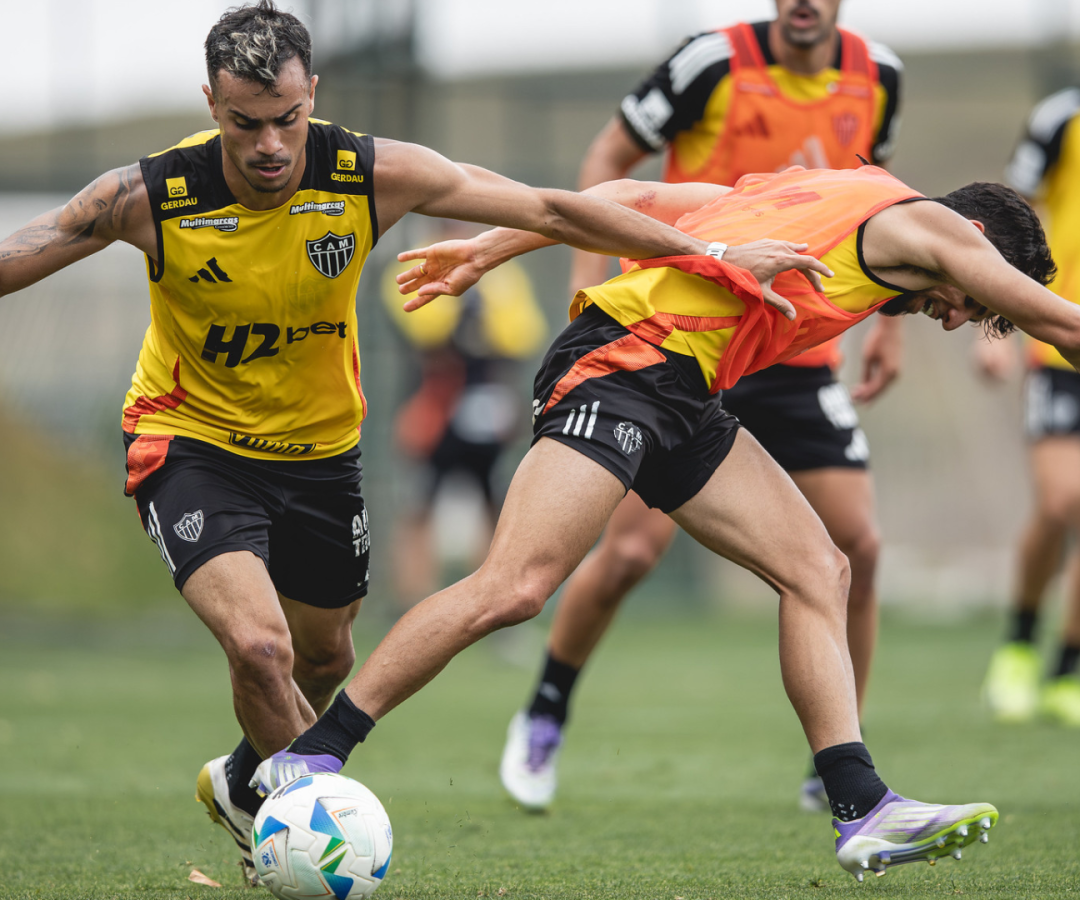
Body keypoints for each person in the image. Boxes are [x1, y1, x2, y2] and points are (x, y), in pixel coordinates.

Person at [0, 2, 826, 886]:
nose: (272, 145)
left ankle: (245, 782)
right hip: (189, 441)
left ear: (311, 94)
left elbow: (552, 207)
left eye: (287, 119)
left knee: (325, 656)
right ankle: (304, 838)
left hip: (320, 453)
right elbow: (25, 247)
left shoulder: (371, 173)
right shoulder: (149, 196)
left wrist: (708, 253)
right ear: (212, 105)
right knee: (263, 649)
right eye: (246, 125)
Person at [253, 164, 1078, 881]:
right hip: (626, 365)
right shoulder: (933, 224)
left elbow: (632, 195)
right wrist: (488, 249)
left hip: (683, 388)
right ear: (972, 237)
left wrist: (486, 251)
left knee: (817, 569)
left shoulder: (819, 192)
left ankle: (861, 807)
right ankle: (309, 754)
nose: (960, 317)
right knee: (515, 586)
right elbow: (1060, 323)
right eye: (979, 301)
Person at [500, 0, 905, 814]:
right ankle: (545, 711)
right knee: (627, 557)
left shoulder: (879, 75)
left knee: (854, 543)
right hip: (694, 327)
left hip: (799, 346)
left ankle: (836, 768)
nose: (802, 4)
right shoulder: (709, 63)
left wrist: (892, 331)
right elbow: (610, 157)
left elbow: (883, 207)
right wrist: (604, 287)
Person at [976, 87, 1080, 727]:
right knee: (1063, 500)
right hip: (1061, 341)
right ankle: (1018, 642)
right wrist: (1001, 326)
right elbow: (1016, 219)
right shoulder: (1061, 117)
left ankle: (1067, 670)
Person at [381, 248, 546, 609]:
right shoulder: (412, 269)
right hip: (434, 406)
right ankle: (411, 599)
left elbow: (521, 334)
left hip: (487, 406)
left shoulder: (504, 275)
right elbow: (425, 329)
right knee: (419, 504)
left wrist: (484, 296)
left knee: (494, 503)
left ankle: (492, 598)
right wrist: (454, 296)